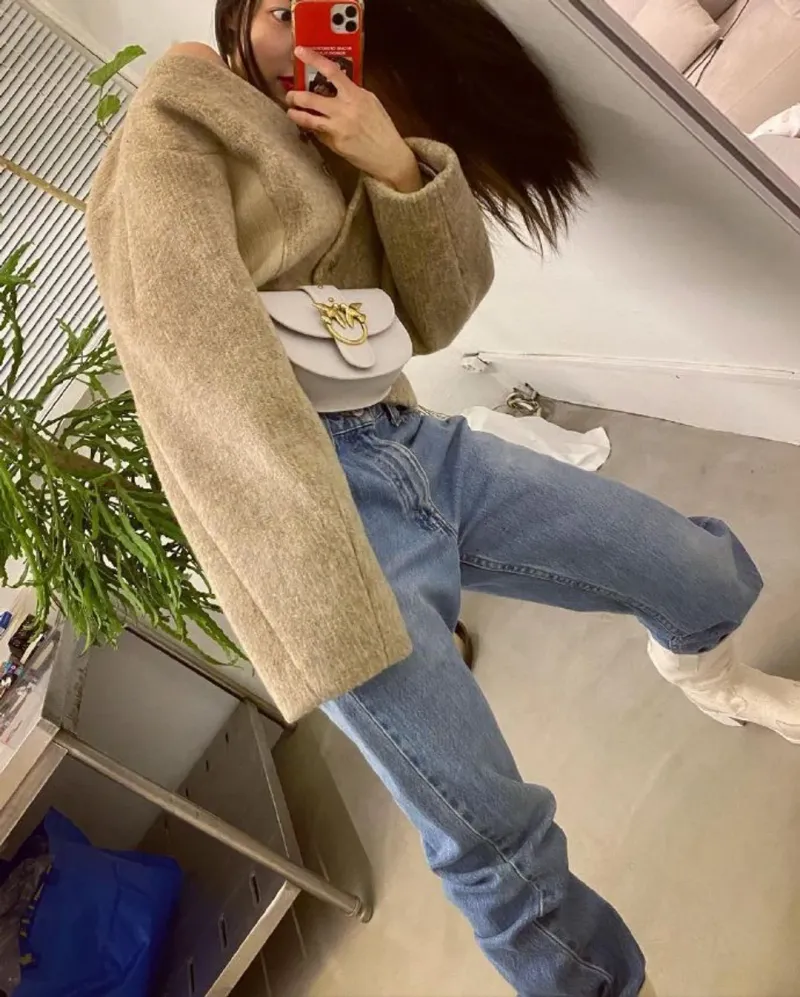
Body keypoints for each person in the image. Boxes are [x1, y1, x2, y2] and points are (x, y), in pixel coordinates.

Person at [85, 1, 800, 993]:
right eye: (282, 9)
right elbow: (190, 359)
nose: (306, 34)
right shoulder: (182, 110)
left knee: (690, 566)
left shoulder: (336, 124)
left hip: (406, 440)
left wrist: (393, 165)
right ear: (239, 16)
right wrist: (315, 578)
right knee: (496, 843)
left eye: (333, 8)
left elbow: (435, 314)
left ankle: (710, 678)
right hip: (299, 511)